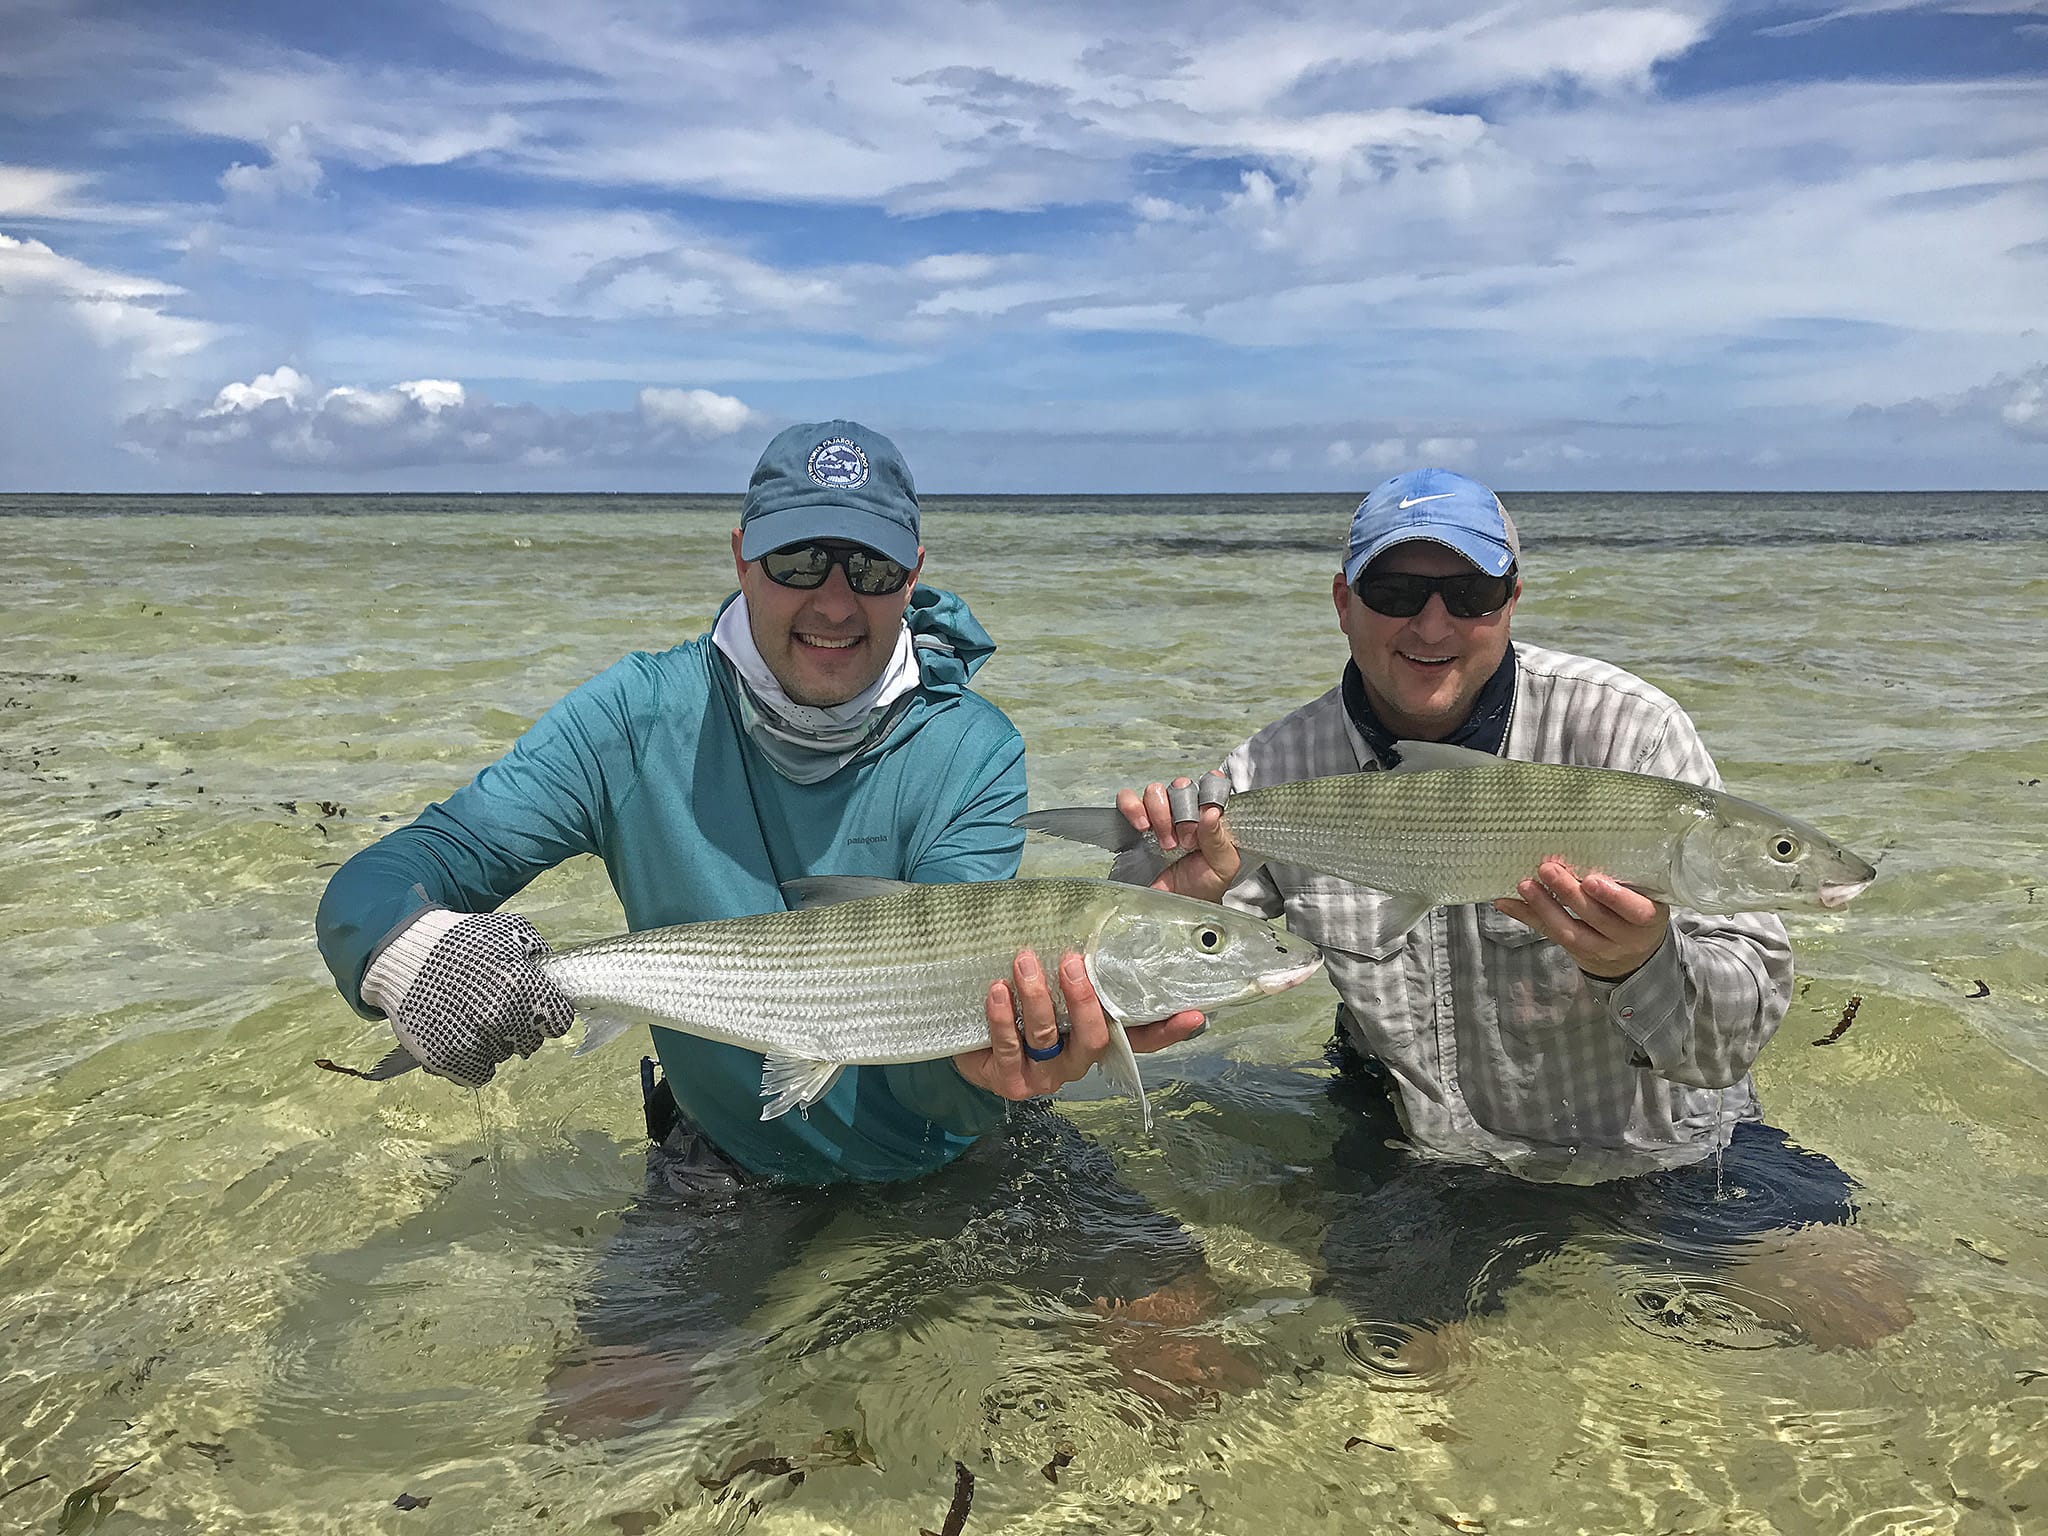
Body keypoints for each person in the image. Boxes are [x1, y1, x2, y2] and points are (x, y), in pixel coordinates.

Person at [1115, 468, 1911, 1347]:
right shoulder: (1269, 773)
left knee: (1866, 1318)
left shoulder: (1631, 737)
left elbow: (1730, 1046)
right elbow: (1134, 1000)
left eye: (1470, 593)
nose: (1432, 624)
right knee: (1406, 1404)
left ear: (1512, 599)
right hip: (1431, 1158)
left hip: (1668, 1151)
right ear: (1344, 602)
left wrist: (1639, 964)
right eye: (1395, 590)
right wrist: (1162, 899)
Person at [316, 418, 1204, 1188]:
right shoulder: (634, 717)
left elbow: (931, 1073)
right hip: (727, 1154)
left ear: (913, 572)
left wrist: (1002, 1069)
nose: (833, 599)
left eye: (869, 565)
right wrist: (411, 954)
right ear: (742, 556)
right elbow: (403, 869)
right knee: (601, 1392)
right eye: (798, 558)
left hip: (961, 1150)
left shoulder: (973, 749)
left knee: (1189, 1360)